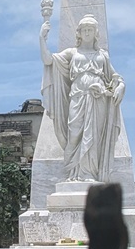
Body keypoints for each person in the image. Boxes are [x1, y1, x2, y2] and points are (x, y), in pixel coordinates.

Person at [40, 14, 125, 182]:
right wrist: (42, 38)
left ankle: (88, 174)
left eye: (90, 29)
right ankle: (73, 172)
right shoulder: (72, 53)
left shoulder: (102, 55)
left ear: (95, 33)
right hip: (77, 98)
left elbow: (115, 77)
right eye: (84, 29)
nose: (87, 32)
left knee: (92, 136)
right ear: (78, 33)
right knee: (74, 133)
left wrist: (121, 86)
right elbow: (48, 60)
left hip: (97, 99)